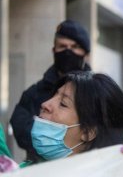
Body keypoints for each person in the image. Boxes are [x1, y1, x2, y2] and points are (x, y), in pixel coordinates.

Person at [10, 19, 91, 162]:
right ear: (54, 50)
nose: (68, 51)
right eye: (62, 46)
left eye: (74, 46)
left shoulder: (99, 94)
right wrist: (47, 144)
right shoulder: (34, 93)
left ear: (85, 53)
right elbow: (19, 125)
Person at [27, 71, 123, 165]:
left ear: (88, 132)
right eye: (53, 96)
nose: (45, 104)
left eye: (63, 104)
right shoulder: (24, 173)